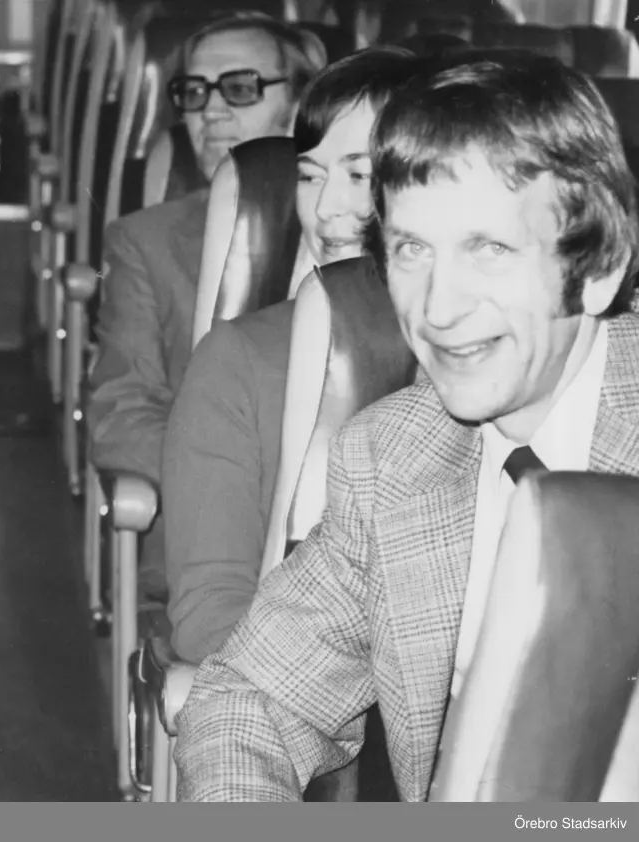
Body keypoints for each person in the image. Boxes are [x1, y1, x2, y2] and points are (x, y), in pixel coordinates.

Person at [175, 50, 639, 801]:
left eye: (490, 249)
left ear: (598, 271)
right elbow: (249, 697)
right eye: (412, 250)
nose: (438, 308)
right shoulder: (392, 455)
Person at [163, 45, 420, 665]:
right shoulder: (239, 360)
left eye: (360, 176)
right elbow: (209, 611)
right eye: (309, 176)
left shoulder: (487, 363)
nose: (325, 208)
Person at [84, 13, 325, 602]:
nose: (211, 110)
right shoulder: (146, 241)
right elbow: (121, 411)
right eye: (194, 92)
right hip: (209, 542)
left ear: (301, 106)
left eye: (240, 88)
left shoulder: (371, 232)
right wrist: (240, 493)